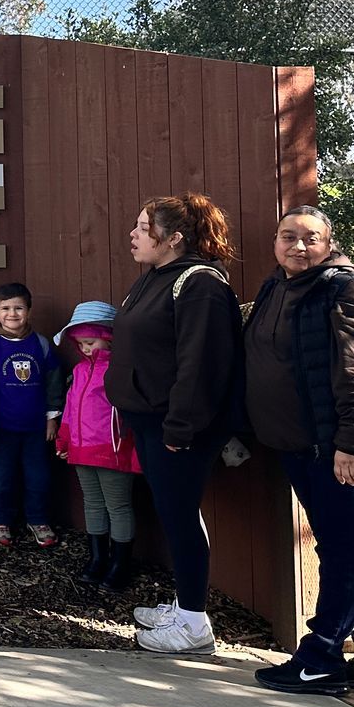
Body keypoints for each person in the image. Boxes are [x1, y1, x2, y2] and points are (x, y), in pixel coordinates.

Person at [245, 206, 354, 694]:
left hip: (343, 450)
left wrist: (352, 446)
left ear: (329, 242)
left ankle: (320, 655)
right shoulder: (278, 286)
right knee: (351, 547)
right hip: (303, 446)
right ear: (275, 242)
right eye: (287, 237)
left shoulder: (348, 292)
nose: (297, 246)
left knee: (339, 550)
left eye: (310, 238)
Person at [107, 193, 244, 654]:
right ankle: (185, 605)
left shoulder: (200, 285)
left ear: (173, 239)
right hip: (149, 422)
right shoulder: (154, 278)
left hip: (176, 428)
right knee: (173, 513)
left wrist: (179, 429)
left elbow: (200, 364)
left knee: (181, 516)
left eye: (143, 227)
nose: (133, 234)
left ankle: (193, 626)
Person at [0, 283, 68, 549]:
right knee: (0, 479)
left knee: (38, 477)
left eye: (19, 308)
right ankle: (0, 521)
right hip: (1, 428)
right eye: (6, 308)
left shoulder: (41, 345)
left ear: (29, 311)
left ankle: (37, 520)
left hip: (36, 428)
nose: (12, 314)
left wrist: (52, 417)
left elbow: (54, 383)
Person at [53, 301, 140, 588]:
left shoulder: (120, 368)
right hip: (80, 448)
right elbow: (70, 406)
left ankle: (120, 563)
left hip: (112, 448)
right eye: (81, 344)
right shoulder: (79, 371)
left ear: (108, 336)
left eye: (90, 342)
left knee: (118, 506)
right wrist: (64, 438)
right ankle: (97, 558)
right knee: (92, 503)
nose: (86, 348)